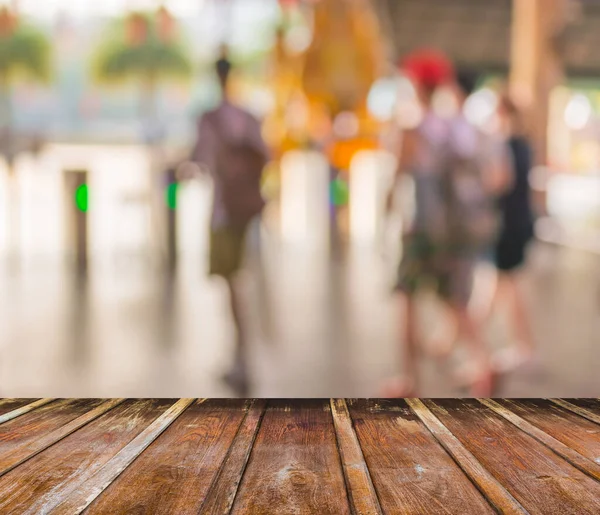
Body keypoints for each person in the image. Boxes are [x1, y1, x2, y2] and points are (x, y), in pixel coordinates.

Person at [381, 54, 508, 397]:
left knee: (406, 298)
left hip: (416, 226)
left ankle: (408, 380)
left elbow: (398, 174)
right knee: (453, 298)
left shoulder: (412, 124)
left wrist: (384, 209)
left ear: (416, 83)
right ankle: (484, 362)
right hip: (447, 228)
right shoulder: (452, 126)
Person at [188, 51, 269, 395]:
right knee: (239, 283)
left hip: (224, 211)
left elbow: (198, 158)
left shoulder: (209, 119)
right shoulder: (248, 117)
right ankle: (241, 356)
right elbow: (265, 155)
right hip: (248, 209)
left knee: (232, 286)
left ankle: (241, 358)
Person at [487, 93, 536, 373]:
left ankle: (524, 347)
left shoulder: (506, 145)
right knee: (498, 284)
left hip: (508, 223)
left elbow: (499, 183)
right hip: (519, 221)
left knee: (509, 283)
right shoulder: (523, 144)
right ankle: (457, 337)